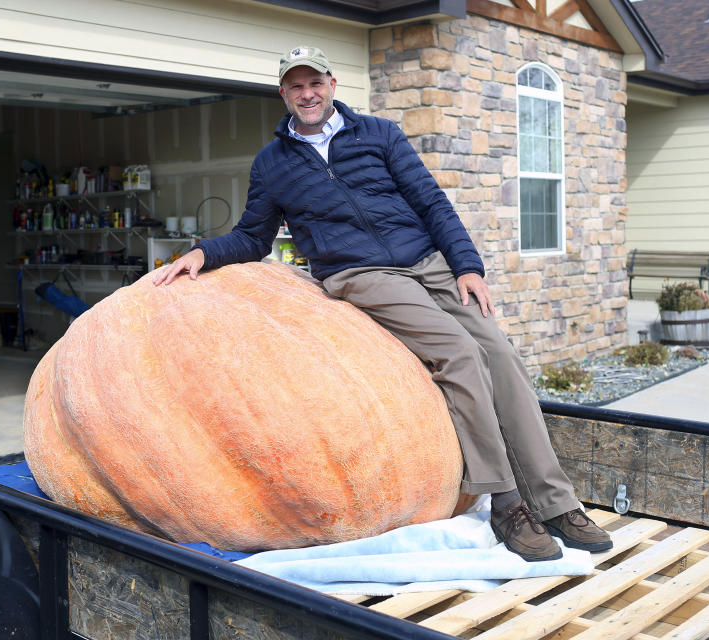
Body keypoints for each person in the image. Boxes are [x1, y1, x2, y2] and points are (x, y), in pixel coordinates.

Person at [153, 45, 611, 562]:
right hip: (361, 274)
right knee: (459, 353)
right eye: (296, 86)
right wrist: (202, 253)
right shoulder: (273, 163)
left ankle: (555, 501)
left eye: (315, 83)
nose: (307, 94)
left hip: (427, 261)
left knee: (500, 354)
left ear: (331, 84)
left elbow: (430, 201)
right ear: (283, 94)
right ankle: (505, 501)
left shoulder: (379, 134)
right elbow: (252, 237)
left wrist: (467, 266)